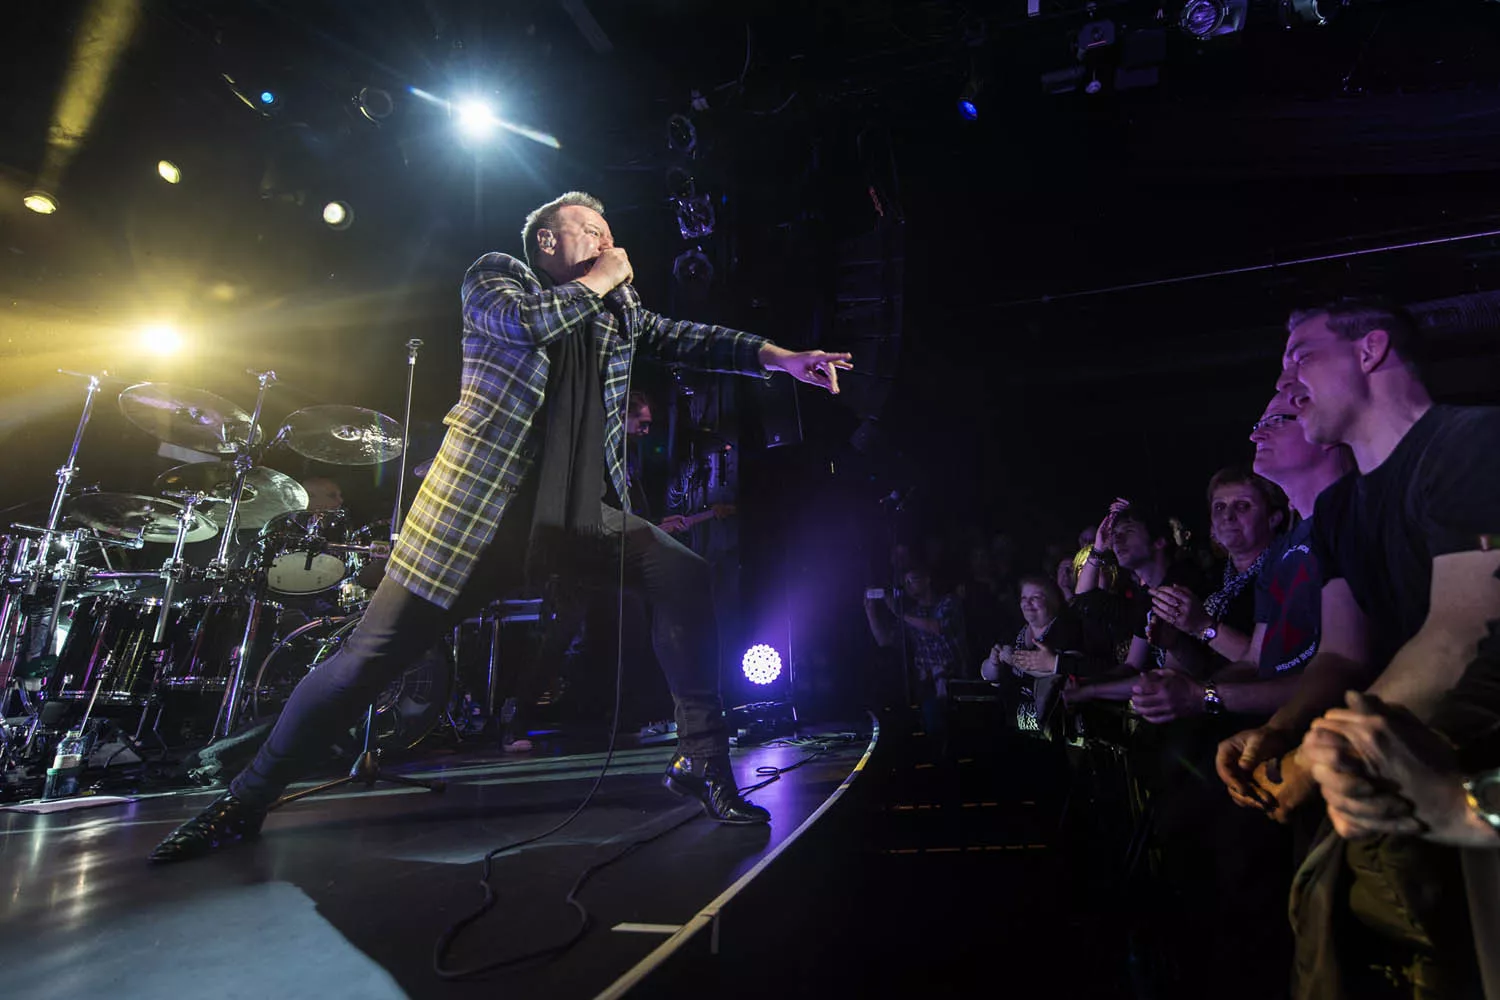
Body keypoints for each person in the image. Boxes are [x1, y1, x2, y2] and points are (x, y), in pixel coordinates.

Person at [149, 191, 854, 862]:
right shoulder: (497, 279)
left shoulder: (616, 310)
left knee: (682, 573)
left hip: (572, 517)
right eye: (590, 230)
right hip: (473, 519)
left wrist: (779, 357)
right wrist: (603, 279)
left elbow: (685, 337)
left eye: (609, 234)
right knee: (366, 661)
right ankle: (245, 800)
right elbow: (528, 327)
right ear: (547, 240)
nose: (607, 241)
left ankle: (701, 759)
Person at [1220, 298, 1500, 997]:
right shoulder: (1340, 511)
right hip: (1405, 759)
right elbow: (1343, 655)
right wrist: (1280, 729)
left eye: (1301, 357)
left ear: (1370, 350)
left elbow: (1457, 637)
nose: (1285, 384)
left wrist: (1317, 753)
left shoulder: (1470, 442)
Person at [863, 563, 966, 743]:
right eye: (906, 582)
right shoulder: (912, 613)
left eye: (913, 580)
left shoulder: (948, 602)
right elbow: (885, 640)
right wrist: (870, 612)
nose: (909, 586)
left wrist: (899, 612)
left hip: (956, 681)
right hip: (928, 686)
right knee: (934, 734)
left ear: (927, 579)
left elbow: (938, 627)